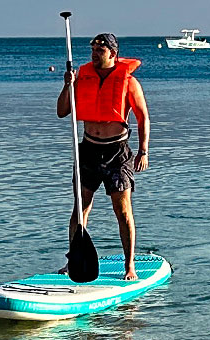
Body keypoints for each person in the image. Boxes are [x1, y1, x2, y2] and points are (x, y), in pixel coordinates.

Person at [55, 33, 150, 280]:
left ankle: (130, 265)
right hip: (88, 149)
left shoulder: (129, 82)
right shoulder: (81, 78)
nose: (95, 54)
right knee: (80, 208)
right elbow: (62, 111)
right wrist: (68, 84)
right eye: (93, 50)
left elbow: (142, 118)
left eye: (101, 49)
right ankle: (73, 261)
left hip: (117, 152)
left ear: (113, 53)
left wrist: (143, 151)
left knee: (123, 211)